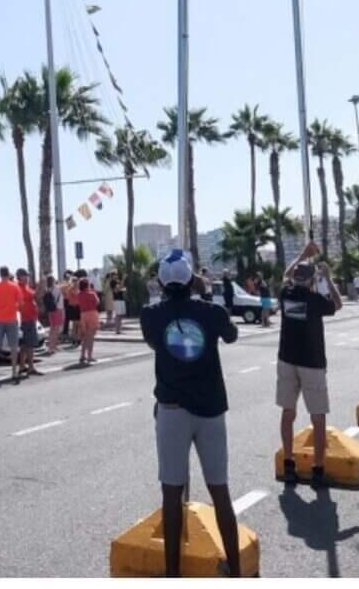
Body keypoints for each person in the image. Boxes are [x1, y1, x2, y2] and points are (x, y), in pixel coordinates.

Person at [143, 248, 244, 578]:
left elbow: (157, 344)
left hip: (172, 409)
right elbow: (231, 335)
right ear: (193, 279)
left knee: (171, 493)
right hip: (211, 408)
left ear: (160, 281)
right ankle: (238, 571)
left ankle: (173, 574)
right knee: (220, 491)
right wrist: (207, 292)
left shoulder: (151, 316)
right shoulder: (211, 312)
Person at [274, 242, 340, 488]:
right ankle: (318, 468)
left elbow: (285, 275)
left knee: (287, 413)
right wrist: (329, 279)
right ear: (312, 280)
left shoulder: (285, 294)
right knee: (318, 417)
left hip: (287, 360)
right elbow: (338, 304)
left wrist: (303, 255)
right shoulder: (315, 300)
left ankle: (289, 463)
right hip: (312, 362)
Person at [0, 267, 23, 383]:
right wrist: (14, 307)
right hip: (11, 319)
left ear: (0, 274)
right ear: (8, 274)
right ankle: (13, 371)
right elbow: (20, 302)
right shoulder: (14, 286)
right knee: (13, 346)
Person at [13, 268, 43, 379]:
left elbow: (36, 296)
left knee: (25, 344)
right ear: (19, 277)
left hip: (31, 318)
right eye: (25, 275)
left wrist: (41, 285)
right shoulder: (18, 288)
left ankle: (22, 366)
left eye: (27, 276)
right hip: (26, 319)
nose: (27, 277)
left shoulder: (27, 287)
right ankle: (30, 367)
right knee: (30, 344)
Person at [71, 271, 102, 366]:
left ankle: (82, 355)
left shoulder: (79, 295)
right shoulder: (91, 294)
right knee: (90, 337)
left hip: (83, 315)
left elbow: (77, 303)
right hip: (92, 314)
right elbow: (98, 302)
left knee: (84, 337)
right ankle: (90, 356)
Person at [38, 272, 64, 358]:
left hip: (50, 311)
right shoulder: (57, 288)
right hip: (57, 309)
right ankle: (52, 348)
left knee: (52, 328)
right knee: (56, 329)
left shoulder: (46, 289)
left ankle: (51, 347)